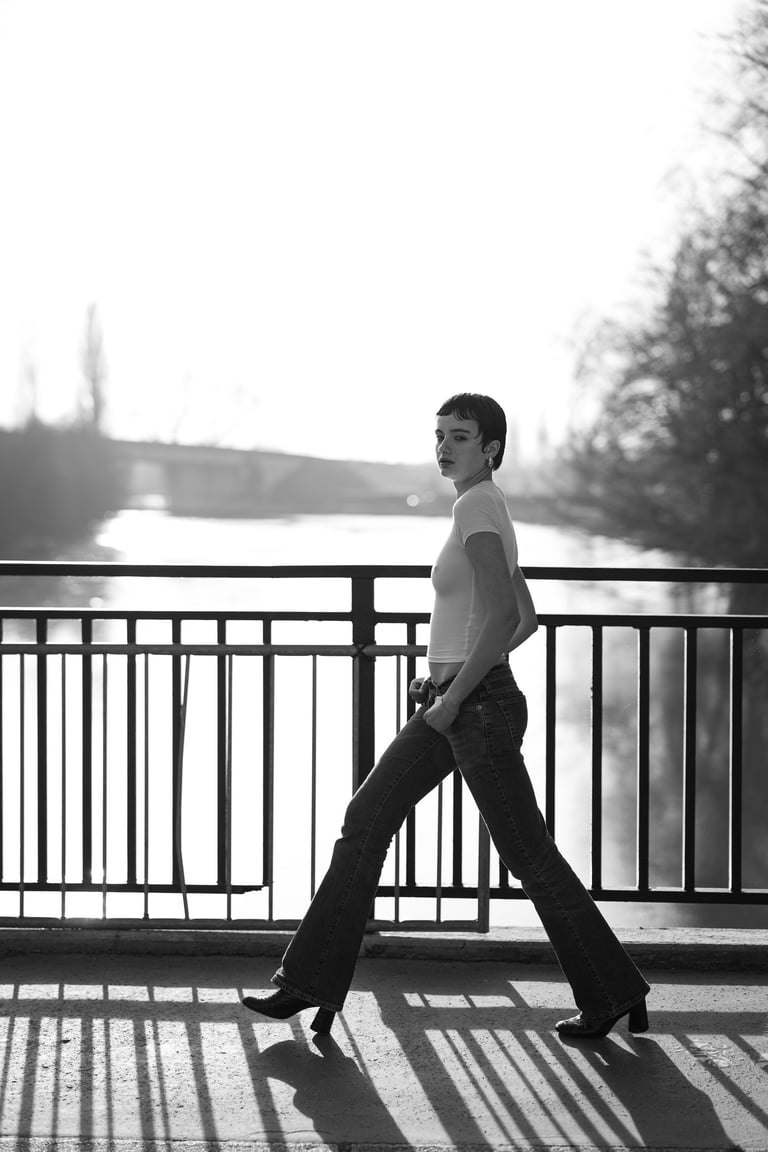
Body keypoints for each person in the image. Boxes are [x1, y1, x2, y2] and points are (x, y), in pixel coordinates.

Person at [242, 393, 650, 1039]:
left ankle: (614, 992)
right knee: (366, 821)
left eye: (460, 436)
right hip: (461, 701)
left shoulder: (474, 506)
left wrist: (455, 692)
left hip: (473, 710)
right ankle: (307, 982)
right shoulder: (489, 506)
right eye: (439, 435)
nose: (443, 447)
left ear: (491, 447)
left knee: (525, 856)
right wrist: (443, 679)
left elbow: (504, 616)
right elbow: (524, 619)